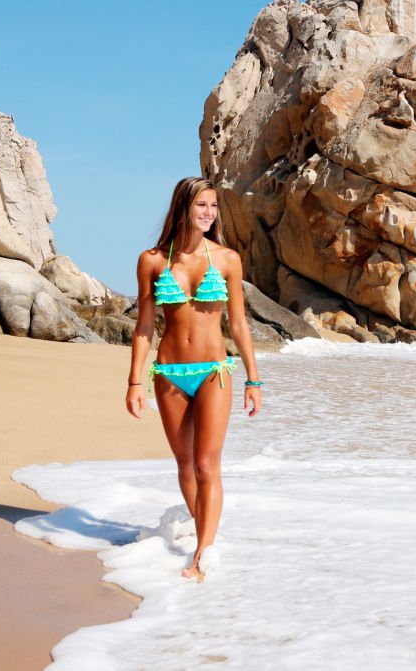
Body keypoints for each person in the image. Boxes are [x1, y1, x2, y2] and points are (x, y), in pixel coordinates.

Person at [125, 177, 262, 581]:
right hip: (168, 373)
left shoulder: (227, 260)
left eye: (214, 207)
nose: (208, 214)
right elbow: (144, 326)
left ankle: (203, 552)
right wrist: (135, 382)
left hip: (213, 372)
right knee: (185, 465)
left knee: (206, 465)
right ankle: (205, 532)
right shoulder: (152, 260)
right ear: (183, 207)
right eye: (201, 206)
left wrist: (254, 380)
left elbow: (238, 323)